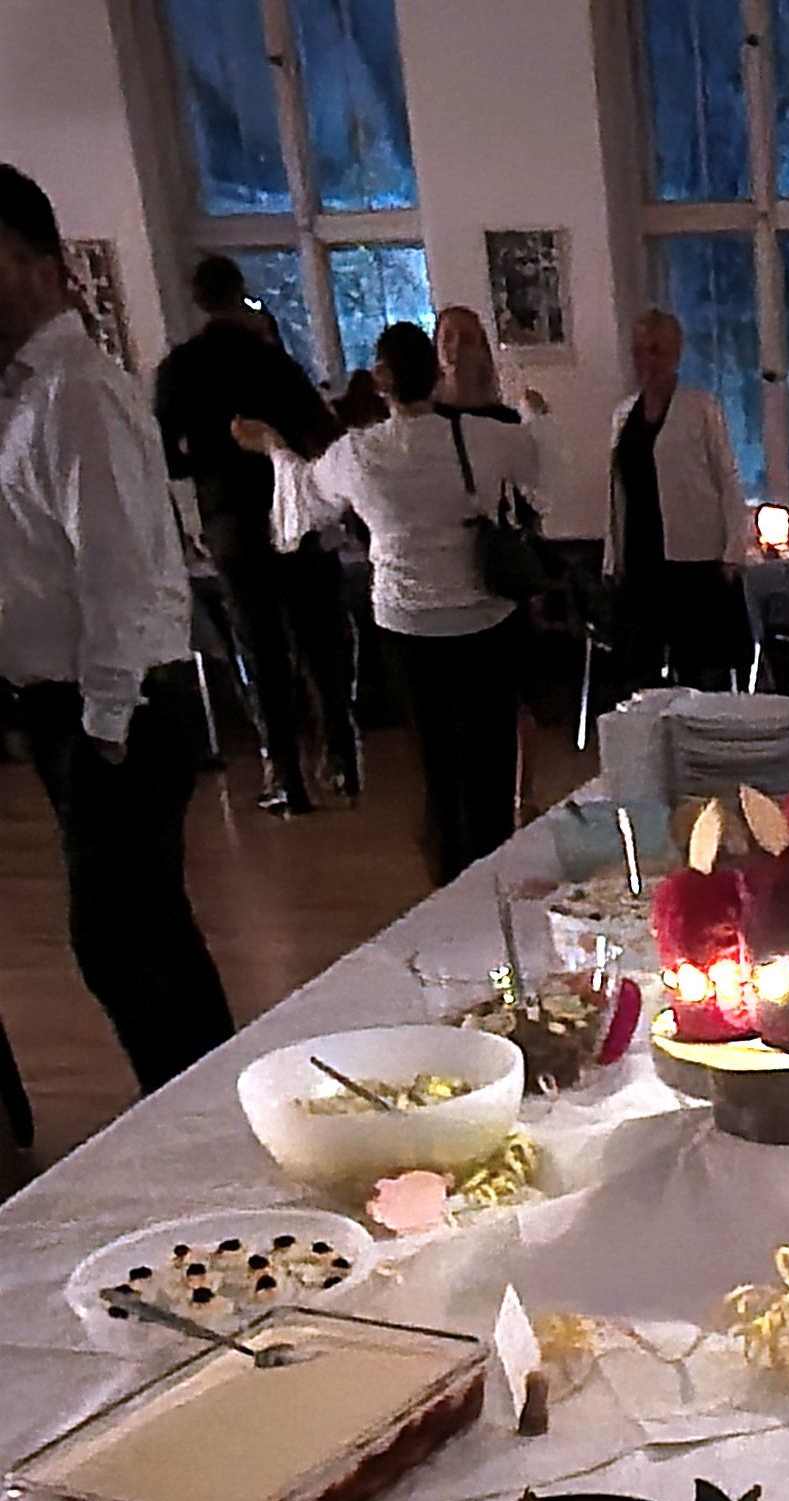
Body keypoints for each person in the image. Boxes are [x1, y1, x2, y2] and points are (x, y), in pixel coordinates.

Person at [0, 165, 234, 1092]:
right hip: (71, 709)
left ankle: (192, 1112)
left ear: (45, 268)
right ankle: (203, 1107)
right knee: (143, 936)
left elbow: (120, 570)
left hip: (115, 711)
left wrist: (103, 727)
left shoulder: (76, 392)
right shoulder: (24, 395)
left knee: (121, 942)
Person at [236, 321, 539, 885]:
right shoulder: (479, 437)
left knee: (436, 765)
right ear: (436, 374)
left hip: (408, 625)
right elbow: (537, 455)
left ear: (381, 380)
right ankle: (494, 874)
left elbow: (305, 497)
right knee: (490, 762)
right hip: (483, 618)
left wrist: (272, 446)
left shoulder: (359, 453)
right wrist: (532, 410)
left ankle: (450, 881)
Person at [154, 254, 360, 811]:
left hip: (230, 521)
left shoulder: (180, 369)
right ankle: (341, 757)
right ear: (239, 292)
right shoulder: (273, 361)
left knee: (261, 649)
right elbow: (322, 431)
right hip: (292, 513)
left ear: (197, 300)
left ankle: (286, 776)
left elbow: (166, 456)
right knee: (318, 640)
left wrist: (205, 460)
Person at [603, 308, 749, 694]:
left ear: (676, 353)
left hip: (693, 559)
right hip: (640, 558)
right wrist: (612, 557)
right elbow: (616, 492)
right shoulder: (623, 415)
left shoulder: (701, 408)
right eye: (639, 351)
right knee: (643, 671)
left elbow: (728, 479)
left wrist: (734, 550)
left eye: (656, 350)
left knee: (701, 669)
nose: (647, 361)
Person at [434, 306, 520, 423]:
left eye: (466, 339)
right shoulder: (428, 419)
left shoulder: (506, 421)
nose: (456, 346)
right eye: (448, 338)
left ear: (482, 351)